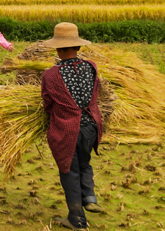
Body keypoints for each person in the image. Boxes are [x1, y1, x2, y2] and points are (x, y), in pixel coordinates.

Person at [40, 22, 104, 230]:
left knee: (68, 170)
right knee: (85, 163)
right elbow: (97, 91)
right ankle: (90, 198)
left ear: (57, 49)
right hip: (91, 127)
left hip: (67, 131)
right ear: (78, 47)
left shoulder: (50, 75)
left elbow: (48, 103)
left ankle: (76, 219)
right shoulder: (91, 66)